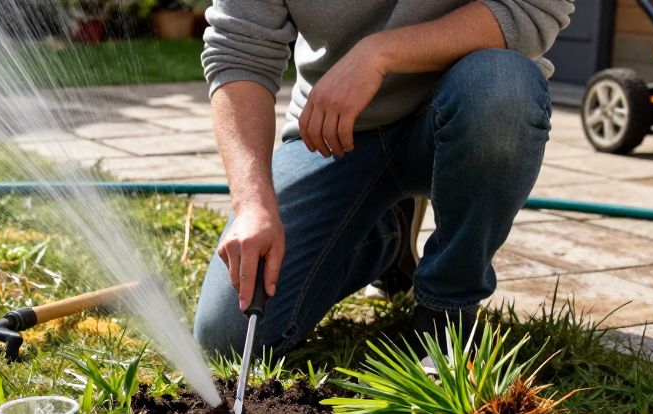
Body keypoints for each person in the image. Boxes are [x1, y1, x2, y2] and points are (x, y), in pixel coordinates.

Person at [192, 0, 573, 356]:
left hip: (465, 108)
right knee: (228, 336)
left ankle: (447, 311)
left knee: (503, 89)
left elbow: (532, 8)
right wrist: (252, 203)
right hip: (335, 131)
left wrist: (380, 53)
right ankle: (384, 231)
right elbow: (239, 47)